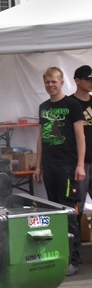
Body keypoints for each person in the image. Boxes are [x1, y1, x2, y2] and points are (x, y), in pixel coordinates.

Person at [33, 66, 86, 277]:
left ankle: (73, 260)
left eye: (54, 82)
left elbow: (80, 136)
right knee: (55, 212)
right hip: (49, 166)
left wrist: (80, 165)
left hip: (68, 165)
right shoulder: (43, 107)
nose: (50, 85)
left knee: (68, 213)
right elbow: (40, 137)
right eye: (47, 82)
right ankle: (59, 257)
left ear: (62, 82)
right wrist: (38, 166)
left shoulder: (72, 104)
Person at [71, 65, 92, 209]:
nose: (91, 82)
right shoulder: (69, 104)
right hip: (79, 163)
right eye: (88, 79)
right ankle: (76, 232)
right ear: (77, 80)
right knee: (76, 206)